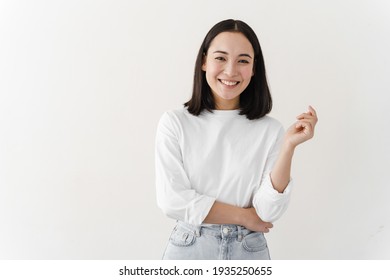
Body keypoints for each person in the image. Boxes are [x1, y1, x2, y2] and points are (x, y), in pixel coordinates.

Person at [155, 19, 318, 260]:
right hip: (190, 247)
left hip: (248, 249)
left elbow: (267, 211)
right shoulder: (175, 122)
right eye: (220, 58)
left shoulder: (271, 130)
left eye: (243, 60)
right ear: (203, 61)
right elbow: (172, 201)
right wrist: (243, 216)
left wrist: (288, 147)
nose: (231, 71)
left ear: (254, 69)